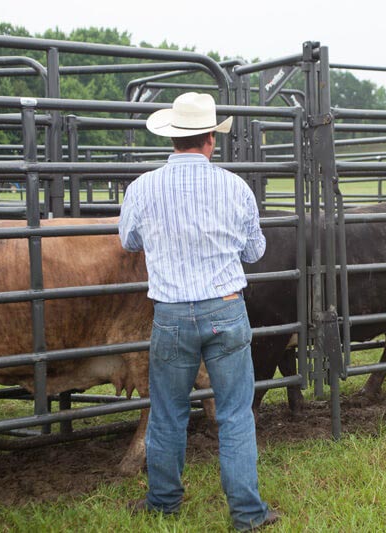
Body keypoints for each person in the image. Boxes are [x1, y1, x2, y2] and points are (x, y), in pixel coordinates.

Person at [118, 92, 279, 531]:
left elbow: (129, 240)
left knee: (168, 413)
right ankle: (248, 513)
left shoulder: (143, 187)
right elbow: (255, 251)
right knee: (235, 414)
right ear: (211, 139)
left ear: (173, 138)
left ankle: (163, 502)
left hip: (171, 313)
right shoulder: (235, 187)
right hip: (225, 308)